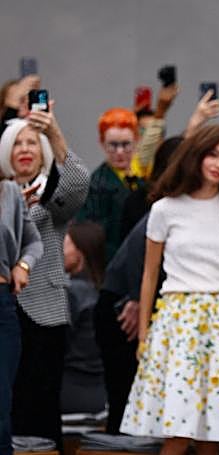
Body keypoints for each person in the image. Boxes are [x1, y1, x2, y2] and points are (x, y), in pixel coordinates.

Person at [120, 124, 219, 454]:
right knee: (177, 432)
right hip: (177, 319)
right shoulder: (165, 209)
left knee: (214, 432)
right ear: (198, 153)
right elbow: (149, 275)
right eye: (213, 154)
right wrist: (143, 335)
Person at [0, 104, 89, 449]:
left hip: (44, 309)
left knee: (42, 398)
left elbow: (78, 183)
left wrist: (52, 131)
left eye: (32, 143)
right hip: (5, 304)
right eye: (17, 143)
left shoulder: (51, 193)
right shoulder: (3, 194)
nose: (25, 149)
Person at [0, 176, 42, 455]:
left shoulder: (10, 191)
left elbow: (33, 242)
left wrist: (23, 265)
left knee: (1, 403)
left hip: (3, 303)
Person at [76, 108, 146, 263]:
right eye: (113, 145)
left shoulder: (142, 178)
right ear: (102, 143)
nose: (120, 152)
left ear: (136, 141)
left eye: (126, 144)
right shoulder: (95, 186)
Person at [60, 221, 106, 415]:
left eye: (64, 245)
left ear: (80, 253)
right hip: (100, 392)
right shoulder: (102, 292)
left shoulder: (72, 293)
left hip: (69, 391)